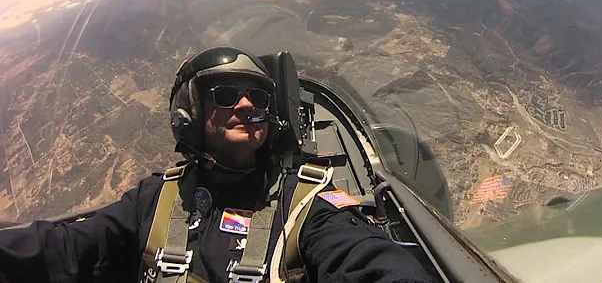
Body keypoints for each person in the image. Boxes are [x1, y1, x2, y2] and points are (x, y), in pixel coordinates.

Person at [0, 46, 437, 283]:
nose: (247, 105)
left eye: (259, 97)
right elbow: (66, 248)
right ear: (188, 115)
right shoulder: (155, 199)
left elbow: (367, 259)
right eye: (226, 94)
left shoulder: (306, 207)